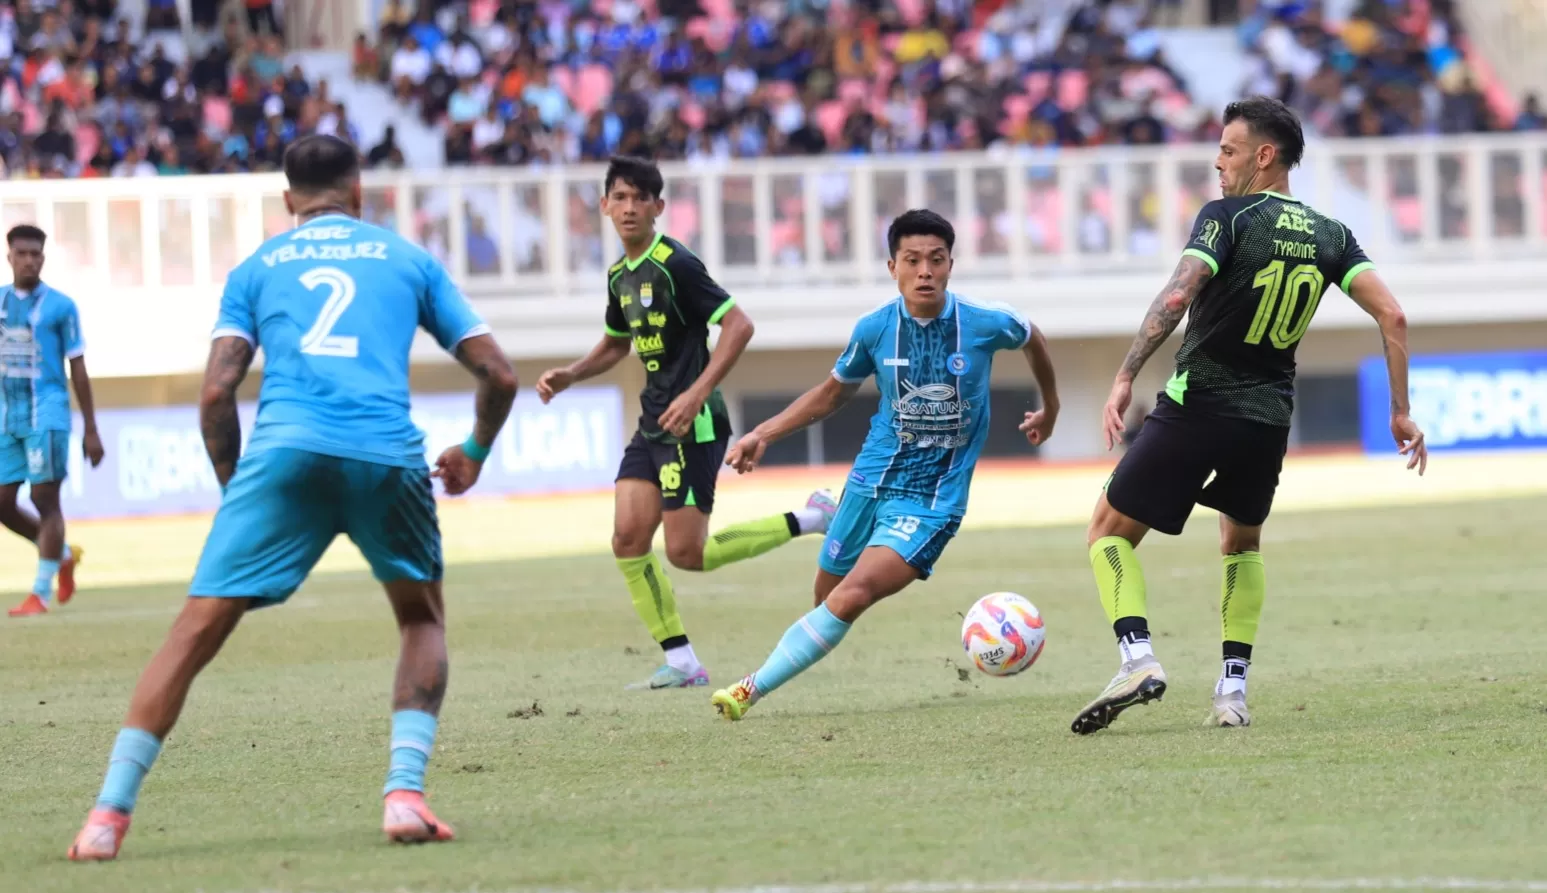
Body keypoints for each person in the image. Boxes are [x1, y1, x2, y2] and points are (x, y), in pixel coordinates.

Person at [67, 134, 519, 860]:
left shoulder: (255, 267)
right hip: (385, 456)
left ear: (287, 200)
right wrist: (473, 451)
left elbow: (217, 392)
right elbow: (497, 373)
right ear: (360, 192)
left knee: (191, 633)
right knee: (420, 616)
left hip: (283, 454)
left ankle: (105, 818)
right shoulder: (407, 259)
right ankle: (404, 796)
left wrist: (238, 490)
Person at [1071, 96, 1427, 735]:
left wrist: (1125, 374)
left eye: (1228, 150)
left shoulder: (1227, 218)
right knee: (1241, 544)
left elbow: (1178, 294)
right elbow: (1393, 315)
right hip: (1268, 417)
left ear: (1265, 156)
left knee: (1107, 531)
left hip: (1199, 402)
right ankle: (1232, 693)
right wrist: (1400, 412)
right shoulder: (1331, 234)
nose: (1218, 163)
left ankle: (1137, 659)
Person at [708, 209, 1061, 721]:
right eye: (913, 260)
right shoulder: (874, 330)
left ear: (950, 265)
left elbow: (1033, 338)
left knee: (850, 598)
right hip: (870, 480)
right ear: (891, 266)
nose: (925, 272)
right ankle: (829, 515)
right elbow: (833, 393)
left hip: (932, 500)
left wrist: (1051, 405)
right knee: (826, 598)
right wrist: (763, 432)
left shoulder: (985, 322)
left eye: (936, 261)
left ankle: (748, 689)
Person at [536, 155, 836, 691]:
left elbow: (739, 325)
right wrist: (572, 374)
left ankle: (810, 518)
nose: (629, 208)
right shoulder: (619, 276)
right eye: (619, 198)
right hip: (652, 422)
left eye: (639, 199)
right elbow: (616, 341)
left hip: (693, 426)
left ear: (658, 207)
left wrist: (697, 395)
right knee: (627, 540)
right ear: (604, 206)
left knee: (686, 554)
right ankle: (680, 662)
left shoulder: (676, 264)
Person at [3, 224, 104, 617]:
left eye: (36, 254)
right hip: (5, 417)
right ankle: (61, 555)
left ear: (43, 259)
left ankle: (39, 594)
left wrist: (91, 429)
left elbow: (78, 367)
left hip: (47, 414)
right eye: (22, 253)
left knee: (45, 500)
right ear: (9, 256)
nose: (29, 260)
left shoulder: (62, 307)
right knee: (3, 504)